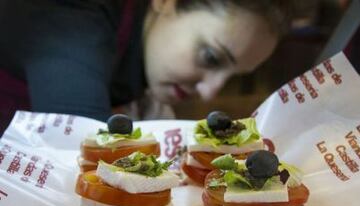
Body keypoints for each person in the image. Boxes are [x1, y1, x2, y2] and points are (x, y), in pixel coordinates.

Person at [0, 0, 292, 134]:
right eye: (211, 58)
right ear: (166, 3)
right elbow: (90, 157)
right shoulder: (75, 21)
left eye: (233, 78)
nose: (209, 92)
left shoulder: (140, 64)